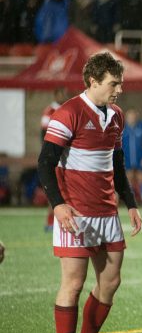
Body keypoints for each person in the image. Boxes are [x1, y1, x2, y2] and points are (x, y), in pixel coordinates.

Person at [37, 52, 142, 333]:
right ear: (93, 82)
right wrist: (58, 204)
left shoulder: (117, 116)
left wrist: (131, 203)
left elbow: (118, 163)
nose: (119, 89)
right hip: (75, 213)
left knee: (110, 282)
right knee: (74, 282)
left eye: (121, 83)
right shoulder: (68, 113)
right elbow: (45, 163)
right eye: (113, 83)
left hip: (106, 213)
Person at [40, 86, 69, 231]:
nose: (64, 95)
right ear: (56, 94)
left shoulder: (69, 109)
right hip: (54, 155)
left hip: (66, 157)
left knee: (64, 189)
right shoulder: (50, 110)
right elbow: (43, 133)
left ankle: (56, 220)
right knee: (55, 188)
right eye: (62, 92)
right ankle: (50, 221)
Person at [122, 109, 142, 204]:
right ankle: (130, 199)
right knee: (128, 177)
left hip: (140, 158)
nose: (131, 118)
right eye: (129, 116)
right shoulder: (122, 128)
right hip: (127, 158)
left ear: (136, 116)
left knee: (141, 176)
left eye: (133, 116)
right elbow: (118, 144)